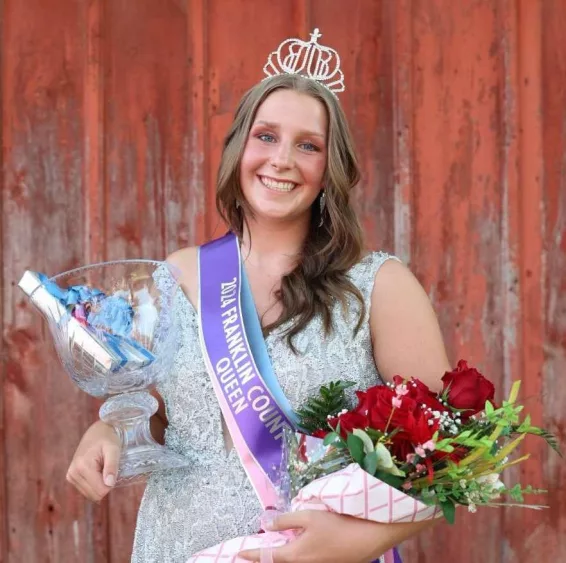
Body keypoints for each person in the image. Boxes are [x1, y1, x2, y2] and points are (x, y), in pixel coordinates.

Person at [66, 30, 450, 563]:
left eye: (308, 145)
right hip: (178, 547)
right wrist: (106, 430)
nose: (282, 160)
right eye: (266, 136)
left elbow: (456, 454)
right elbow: (166, 416)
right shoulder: (176, 276)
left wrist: (363, 540)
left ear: (329, 169)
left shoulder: (377, 286)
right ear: (239, 149)